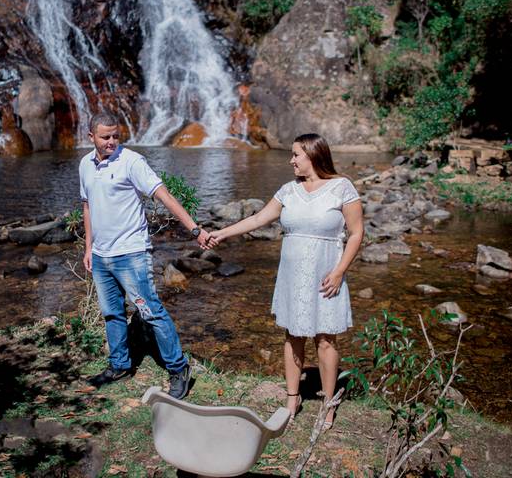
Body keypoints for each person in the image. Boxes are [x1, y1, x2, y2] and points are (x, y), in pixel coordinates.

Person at [210, 133, 363, 429]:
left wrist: (340, 270)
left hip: (326, 275)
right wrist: (221, 233)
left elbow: (356, 233)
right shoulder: (288, 191)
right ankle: (292, 397)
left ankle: (328, 404)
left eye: (295, 155)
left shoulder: (342, 188)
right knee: (293, 335)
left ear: (313, 155)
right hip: (293, 276)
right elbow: (257, 220)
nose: (291, 160)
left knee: (326, 339)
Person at [79, 111, 212, 399]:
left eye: (116, 135)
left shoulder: (132, 162)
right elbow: (87, 206)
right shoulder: (85, 165)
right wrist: (88, 247)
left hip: (131, 253)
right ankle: (119, 365)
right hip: (101, 256)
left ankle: (179, 369)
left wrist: (194, 229)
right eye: (105, 137)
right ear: (91, 137)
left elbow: (163, 195)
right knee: (112, 314)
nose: (112, 141)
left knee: (150, 311)